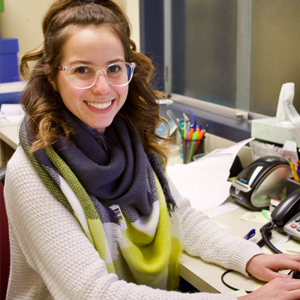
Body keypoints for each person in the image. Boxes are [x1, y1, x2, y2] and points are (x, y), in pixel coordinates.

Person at [4, 0, 300, 299]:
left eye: (114, 68)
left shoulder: (127, 140)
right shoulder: (31, 173)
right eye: (82, 70)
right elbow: (91, 293)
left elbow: (178, 216)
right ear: (53, 77)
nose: (103, 87)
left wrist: (248, 257)